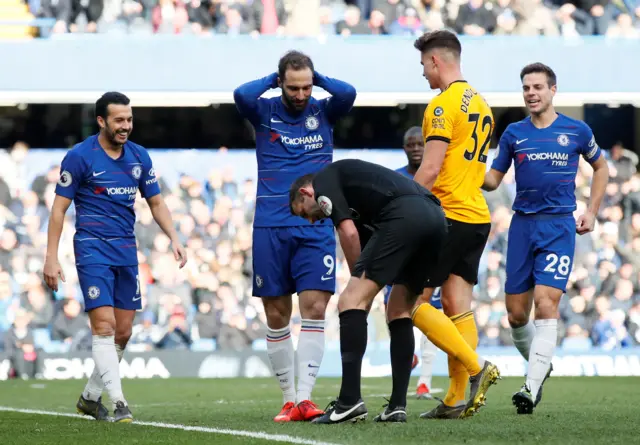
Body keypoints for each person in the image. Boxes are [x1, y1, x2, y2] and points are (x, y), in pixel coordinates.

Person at [289, 159, 498, 424]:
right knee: (399, 308)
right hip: (436, 219)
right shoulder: (358, 199)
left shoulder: (322, 182)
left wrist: (358, 290)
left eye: (304, 212)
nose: (310, 219)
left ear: (306, 193)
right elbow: (371, 245)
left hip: (405, 215)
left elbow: (349, 235)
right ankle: (397, 406)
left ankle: (349, 402)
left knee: (350, 301)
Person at [43, 92, 188, 423]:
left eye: (130, 119)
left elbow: (156, 202)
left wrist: (174, 238)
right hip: (92, 247)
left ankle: (90, 398)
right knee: (105, 326)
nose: (126, 126)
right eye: (119, 120)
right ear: (101, 121)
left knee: (124, 332)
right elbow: (59, 210)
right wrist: (51, 257)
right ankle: (120, 402)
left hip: (125, 248)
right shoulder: (80, 157)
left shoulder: (139, 157)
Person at [233, 50, 357, 423]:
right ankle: (288, 398)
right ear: (280, 83)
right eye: (293, 87)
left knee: (315, 309)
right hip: (271, 223)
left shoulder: (324, 110)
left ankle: (304, 398)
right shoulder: (264, 110)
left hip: (316, 222)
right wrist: (273, 82)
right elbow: (241, 94)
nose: (301, 95)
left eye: (307, 87)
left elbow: (348, 93)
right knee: (275, 313)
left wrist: (317, 79)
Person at [482, 63, 609, 414]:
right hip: (522, 226)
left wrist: (593, 211)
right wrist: (467, 171)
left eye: (538, 87)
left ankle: (530, 385)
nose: (531, 93)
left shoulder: (577, 130)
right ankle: (541, 364)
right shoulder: (513, 133)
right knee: (515, 314)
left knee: (546, 301)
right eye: (526, 88)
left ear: (553, 90)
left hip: (558, 227)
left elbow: (602, 167)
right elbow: (493, 180)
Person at [411, 29, 500, 420]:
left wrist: (400, 207)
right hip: (477, 215)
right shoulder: (481, 103)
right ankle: (455, 398)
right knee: (457, 307)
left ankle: (479, 368)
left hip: (447, 215)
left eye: (423, 66)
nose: (424, 75)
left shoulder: (442, 105)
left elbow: (429, 169)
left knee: (411, 303)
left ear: (435, 61)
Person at [382, 126, 440, 399]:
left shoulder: (438, 175)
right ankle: (407, 353)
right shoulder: (394, 178)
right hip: (400, 253)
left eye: (420, 143)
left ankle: (424, 381)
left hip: (430, 252)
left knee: (428, 311)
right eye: (410, 143)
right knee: (393, 311)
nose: (416, 147)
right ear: (404, 147)